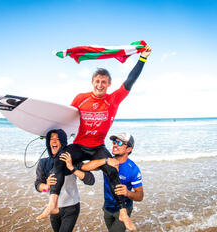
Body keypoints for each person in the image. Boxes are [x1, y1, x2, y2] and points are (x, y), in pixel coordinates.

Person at [37, 45, 152, 231]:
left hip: (98, 146)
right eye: (97, 81)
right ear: (92, 82)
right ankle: (53, 202)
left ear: (109, 84)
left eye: (104, 82)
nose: (100, 85)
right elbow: (66, 121)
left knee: (112, 168)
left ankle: (123, 212)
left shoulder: (113, 99)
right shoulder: (80, 98)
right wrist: (47, 131)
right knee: (59, 160)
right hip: (80, 145)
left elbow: (130, 81)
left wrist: (143, 59)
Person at [35, 129, 95, 232]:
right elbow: (38, 185)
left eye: (58, 139)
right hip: (53, 208)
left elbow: (90, 180)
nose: (54, 141)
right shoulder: (43, 162)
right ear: (48, 142)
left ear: (63, 143)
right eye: (51, 139)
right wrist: (46, 186)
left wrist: (72, 168)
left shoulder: (71, 160)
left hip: (71, 207)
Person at [81, 132, 143, 232]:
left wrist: (127, 192)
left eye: (119, 143)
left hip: (123, 210)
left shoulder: (133, 169)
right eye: (114, 142)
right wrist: (104, 161)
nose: (114, 144)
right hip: (107, 208)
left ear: (129, 149)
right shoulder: (107, 162)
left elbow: (140, 196)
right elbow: (85, 167)